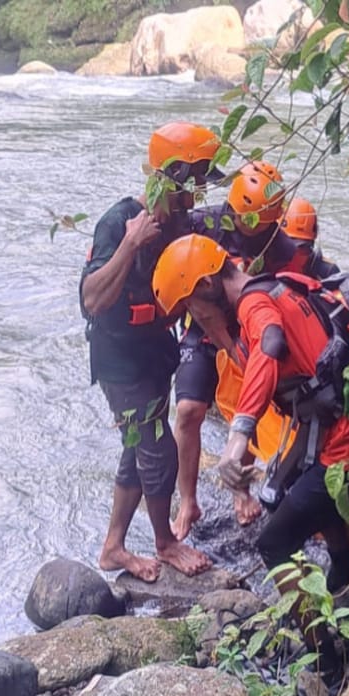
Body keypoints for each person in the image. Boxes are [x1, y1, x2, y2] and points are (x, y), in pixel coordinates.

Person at [152, 233, 349, 595]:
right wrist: (216, 329)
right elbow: (254, 363)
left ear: (206, 284)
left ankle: (322, 644)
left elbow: (269, 347)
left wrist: (237, 438)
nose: (193, 317)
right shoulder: (271, 288)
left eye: (191, 306)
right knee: (291, 494)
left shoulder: (255, 306)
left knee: (273, 543)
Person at [77, 121, 219, 582]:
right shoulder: (117, 223)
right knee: (158, 451)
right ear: (166, 179)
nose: (195, 196)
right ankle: (164, 542)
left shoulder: (178, 223)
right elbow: (92, 299)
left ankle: (113, 547)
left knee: (137, 448)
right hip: (120, 360)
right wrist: (130, 245)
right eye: (189, 184)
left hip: (155, 354)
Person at [171, 161, 318, 540]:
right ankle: (187, 499)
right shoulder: (203, 225)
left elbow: (288, 296)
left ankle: (240, 487)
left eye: (262, 224)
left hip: (251, 330)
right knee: (188, 410)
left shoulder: (281, 246)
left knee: (250, 403)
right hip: (205, 327)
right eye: (246, 221)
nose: (252, 231)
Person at [280, 197, 342, 278]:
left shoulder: (327, 272)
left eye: (302, 249)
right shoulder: (265, 266)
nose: (295, 256)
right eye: (289, 249)